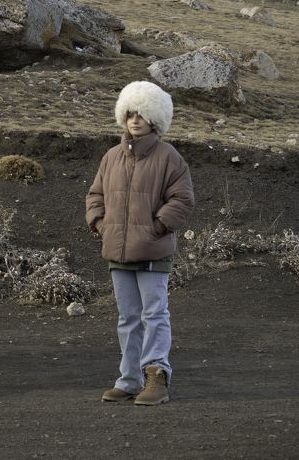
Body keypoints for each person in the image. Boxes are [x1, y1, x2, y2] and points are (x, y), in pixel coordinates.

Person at [85, 80, 195, 405]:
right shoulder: (110, 157)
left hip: (152, 252)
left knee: (154, 315)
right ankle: (129, 379)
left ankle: (157, 377)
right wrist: (101, 225)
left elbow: (183, 199)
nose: (135, 119)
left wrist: (156, 227)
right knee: (127, 318)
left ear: (154, 118)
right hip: (118, 251)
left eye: (142, 113)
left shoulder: (169, 157)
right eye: (130, 113)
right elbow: (95, 195)